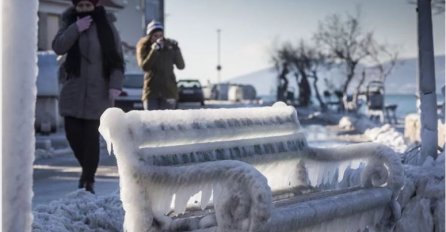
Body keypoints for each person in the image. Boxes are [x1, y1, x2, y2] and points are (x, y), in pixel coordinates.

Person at [52, 0, 124, 193]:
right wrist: (75, 28)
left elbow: (117, 59)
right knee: (73, 135)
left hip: (98, 91)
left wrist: (114, 86)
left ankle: (88, 180)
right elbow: (58, 47)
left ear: (95, 5)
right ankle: (87, 172)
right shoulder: (68, 21)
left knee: (91, 140)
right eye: (80, 6)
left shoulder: (107, 25)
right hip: (73, 90)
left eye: (87, 6)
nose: (83, 10)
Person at [136, 20, 185, 110]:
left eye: (160, 35)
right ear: (149, 37)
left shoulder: (169, 46)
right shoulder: (144, 47)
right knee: (151, 121)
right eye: (155, 36)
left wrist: (176, 49)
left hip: (169, 92)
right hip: (151, 92)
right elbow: (144, 67)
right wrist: (154, 50)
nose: (158, 38)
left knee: (168, 122)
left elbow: (181, 66)